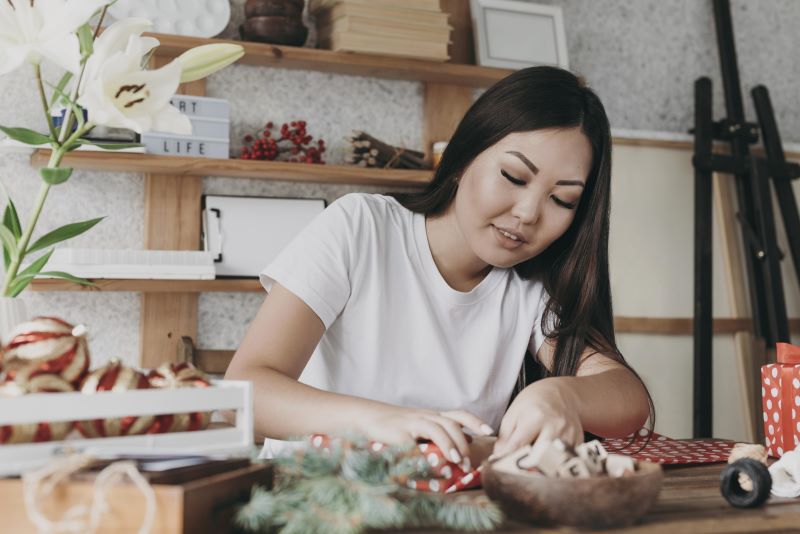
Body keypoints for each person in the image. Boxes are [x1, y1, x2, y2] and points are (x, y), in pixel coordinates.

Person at [226, 66, 653, 463]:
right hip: (317, 504)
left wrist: (562, 396)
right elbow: (245, 392)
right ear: (464, 157)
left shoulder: (528, 287)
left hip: (450, 510)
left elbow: (627, 396)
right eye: (514, 177)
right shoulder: (362, 227)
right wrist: (383, 421)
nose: (528, 213)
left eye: (562, 200)